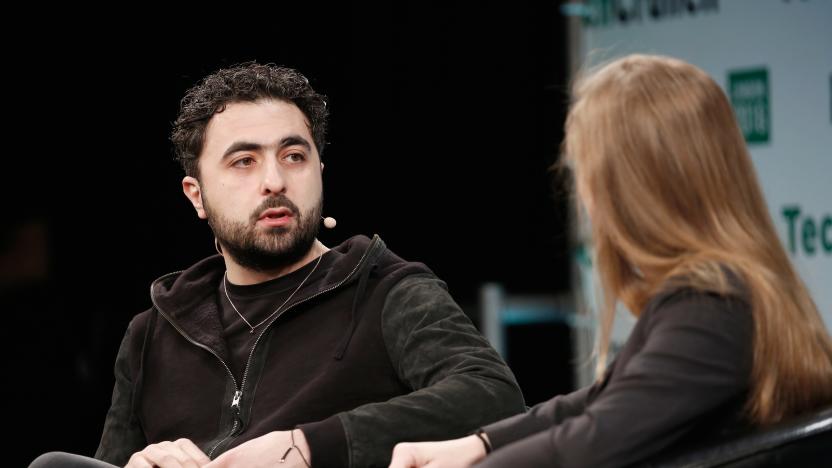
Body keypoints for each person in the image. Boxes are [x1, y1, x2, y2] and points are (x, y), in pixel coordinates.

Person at [31, 62, 525, 468]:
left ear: (319, 172)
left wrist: (307, 447)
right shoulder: (152, 334)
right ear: (196, 195)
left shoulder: (386, 290)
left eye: (294, 156)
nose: (274, 180)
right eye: (243, 161)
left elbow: (492, 396)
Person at [388, 54, 832, 468]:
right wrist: (475, 444)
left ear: (635, 188)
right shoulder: (725, 291)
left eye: (588, 174)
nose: (584, 198)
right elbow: (596, 401)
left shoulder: (712, 305)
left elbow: (592, 440)